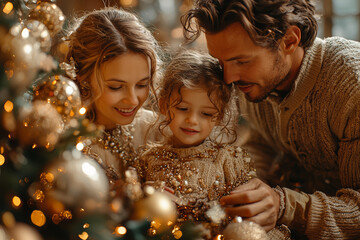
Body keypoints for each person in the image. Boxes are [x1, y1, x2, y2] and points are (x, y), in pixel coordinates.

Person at [181, 0, 360, 239]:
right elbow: (261, 142)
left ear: (289, 41)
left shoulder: (351, 86)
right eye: (221, 61)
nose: (228, 78)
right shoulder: (257, 81)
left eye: (241, 61)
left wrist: (285, 205)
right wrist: (232, 184)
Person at [139, 50, 290, 239]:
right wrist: (147, 197)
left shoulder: (230, 161)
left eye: (206, 114)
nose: (192, 120)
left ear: (219, 116)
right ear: (163, 105)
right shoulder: (148, 160)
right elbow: (135, 214)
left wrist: (207, 219)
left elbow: (241, 215)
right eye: (183, 108)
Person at [64, 7, 162, 184]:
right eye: (116, 87)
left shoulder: (156, 129)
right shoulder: (65, 146)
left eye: (142, 84)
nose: (132, 100)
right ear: (83, 79)